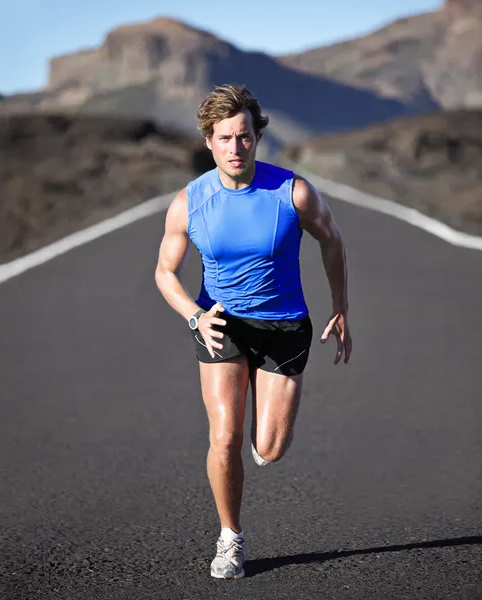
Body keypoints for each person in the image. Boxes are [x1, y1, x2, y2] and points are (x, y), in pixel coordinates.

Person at [154, 84, 352, 580]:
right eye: (225, 139)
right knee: (224, 438)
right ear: (209, 141)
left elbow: (332, 239)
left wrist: (342, 305)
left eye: (244, 137)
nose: (235, 148)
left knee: (268, 448)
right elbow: (164, 272)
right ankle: (230, 539)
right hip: (220, 324)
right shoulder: (190, 202)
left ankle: (265, 435)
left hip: (284, 325)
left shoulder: (293, 192)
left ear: (257, 137)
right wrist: (194, 316)